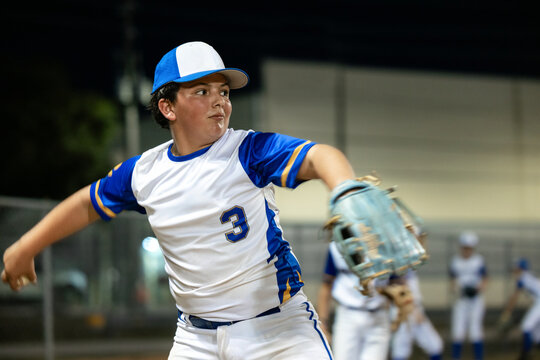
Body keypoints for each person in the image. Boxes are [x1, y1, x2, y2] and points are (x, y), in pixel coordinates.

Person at [0, 41, 364, 359]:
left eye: (223, 91)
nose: (219, 101)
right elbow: (87, 203)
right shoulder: (145, 172)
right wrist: (26, 246)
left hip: (279, 330)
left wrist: (345, 189)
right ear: (167, 107)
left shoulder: (247, 150)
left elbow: (319, 156)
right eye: (201, 92)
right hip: (196, 339)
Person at [316, 240, 392, 360]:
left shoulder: (387, 246)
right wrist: (323, 323)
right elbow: (327, 285)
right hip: (348, 314)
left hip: (378, 314)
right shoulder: (338, 246)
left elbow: (398, 284)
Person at [448, 231, 488, 360]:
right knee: (457, 333)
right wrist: (457, 289)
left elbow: (485, 279)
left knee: (475, 332)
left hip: (475, 300)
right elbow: (452, 280)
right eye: (465, 247)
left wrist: (478, 289)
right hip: (461, 299)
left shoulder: (478, 260)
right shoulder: (455, 261)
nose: (467, 250)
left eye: (469, 248)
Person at [390, 270, 444, 360]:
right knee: (400, 349)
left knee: (435, 344)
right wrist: (414, 309)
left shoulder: (410, 264)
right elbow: (396, 282)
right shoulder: (395, 262)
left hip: (413, 308)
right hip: (403, 310)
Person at [499, 258, 540, 360]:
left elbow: (514, 297)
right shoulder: (528, 275)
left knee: (526, 326)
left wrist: (507, 312)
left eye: (517, 267)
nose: (515, 269)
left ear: (521, 268)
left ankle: (525, 355)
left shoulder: (523, 277)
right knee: (536, 332)